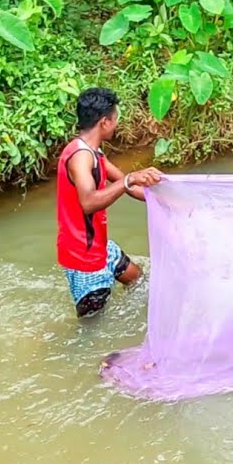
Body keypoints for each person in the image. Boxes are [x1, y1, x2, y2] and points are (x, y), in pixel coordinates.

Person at [56, 87, 163, 318]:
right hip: (83, 257)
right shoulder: (80, 157)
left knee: (138, 280)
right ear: (104, 122)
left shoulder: (94, 152)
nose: (116, 124)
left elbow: (128, 186)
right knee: (93, 328)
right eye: (115, 119)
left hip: (100, 246)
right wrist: (128, 179)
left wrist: (169, 202)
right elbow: (89, 202)